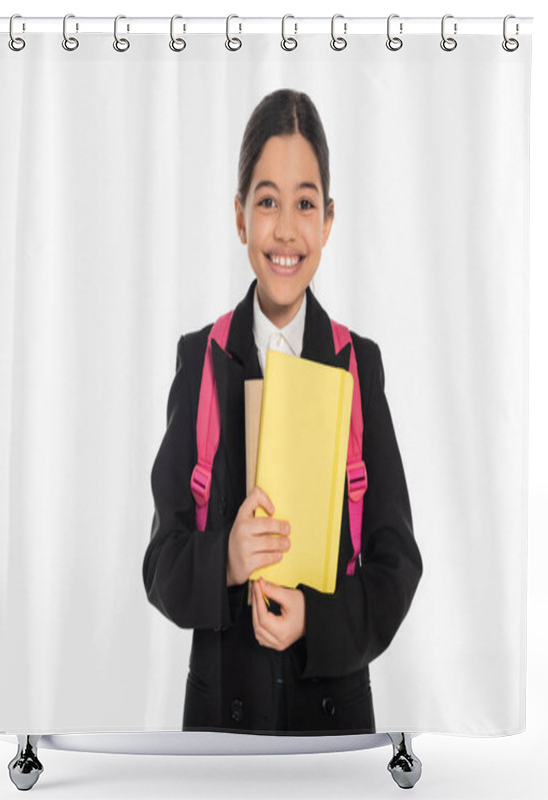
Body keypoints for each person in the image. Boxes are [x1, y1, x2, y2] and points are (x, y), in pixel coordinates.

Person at [142, 88, 422, 735]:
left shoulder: (357, 364)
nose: (287, 230)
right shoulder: (202, 358)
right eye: (267, 201)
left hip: (332, 712)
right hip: (222, 715)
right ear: (241, 217)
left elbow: (397, 561)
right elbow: (161, 563)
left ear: (328, 220)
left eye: (304, 204)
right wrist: (228, 560)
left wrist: (316, 622)